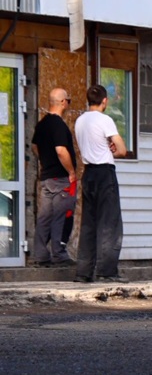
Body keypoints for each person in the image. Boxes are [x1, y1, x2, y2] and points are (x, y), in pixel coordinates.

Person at [73, 84, 126, 283]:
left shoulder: (80, 121)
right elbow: (121, 149)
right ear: (105, 101)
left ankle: (83, 272)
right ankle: (106, 271)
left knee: (88, 223)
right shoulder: (106, 120)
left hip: (88, 173)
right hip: (105, 173)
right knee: (110, 224)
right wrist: (112, 148)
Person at [31, 87, 77, 267]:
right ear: (63, 102)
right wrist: (71, 171)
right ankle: (58, 255)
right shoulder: (58, 125)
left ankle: (40, 255)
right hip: (60, 178)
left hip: (46, 178)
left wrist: (44, 160)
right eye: (68, 100)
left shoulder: (41, 124)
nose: (68, 104)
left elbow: (35, 147)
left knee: (44, 217)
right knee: (61, 215)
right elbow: (61, 150)